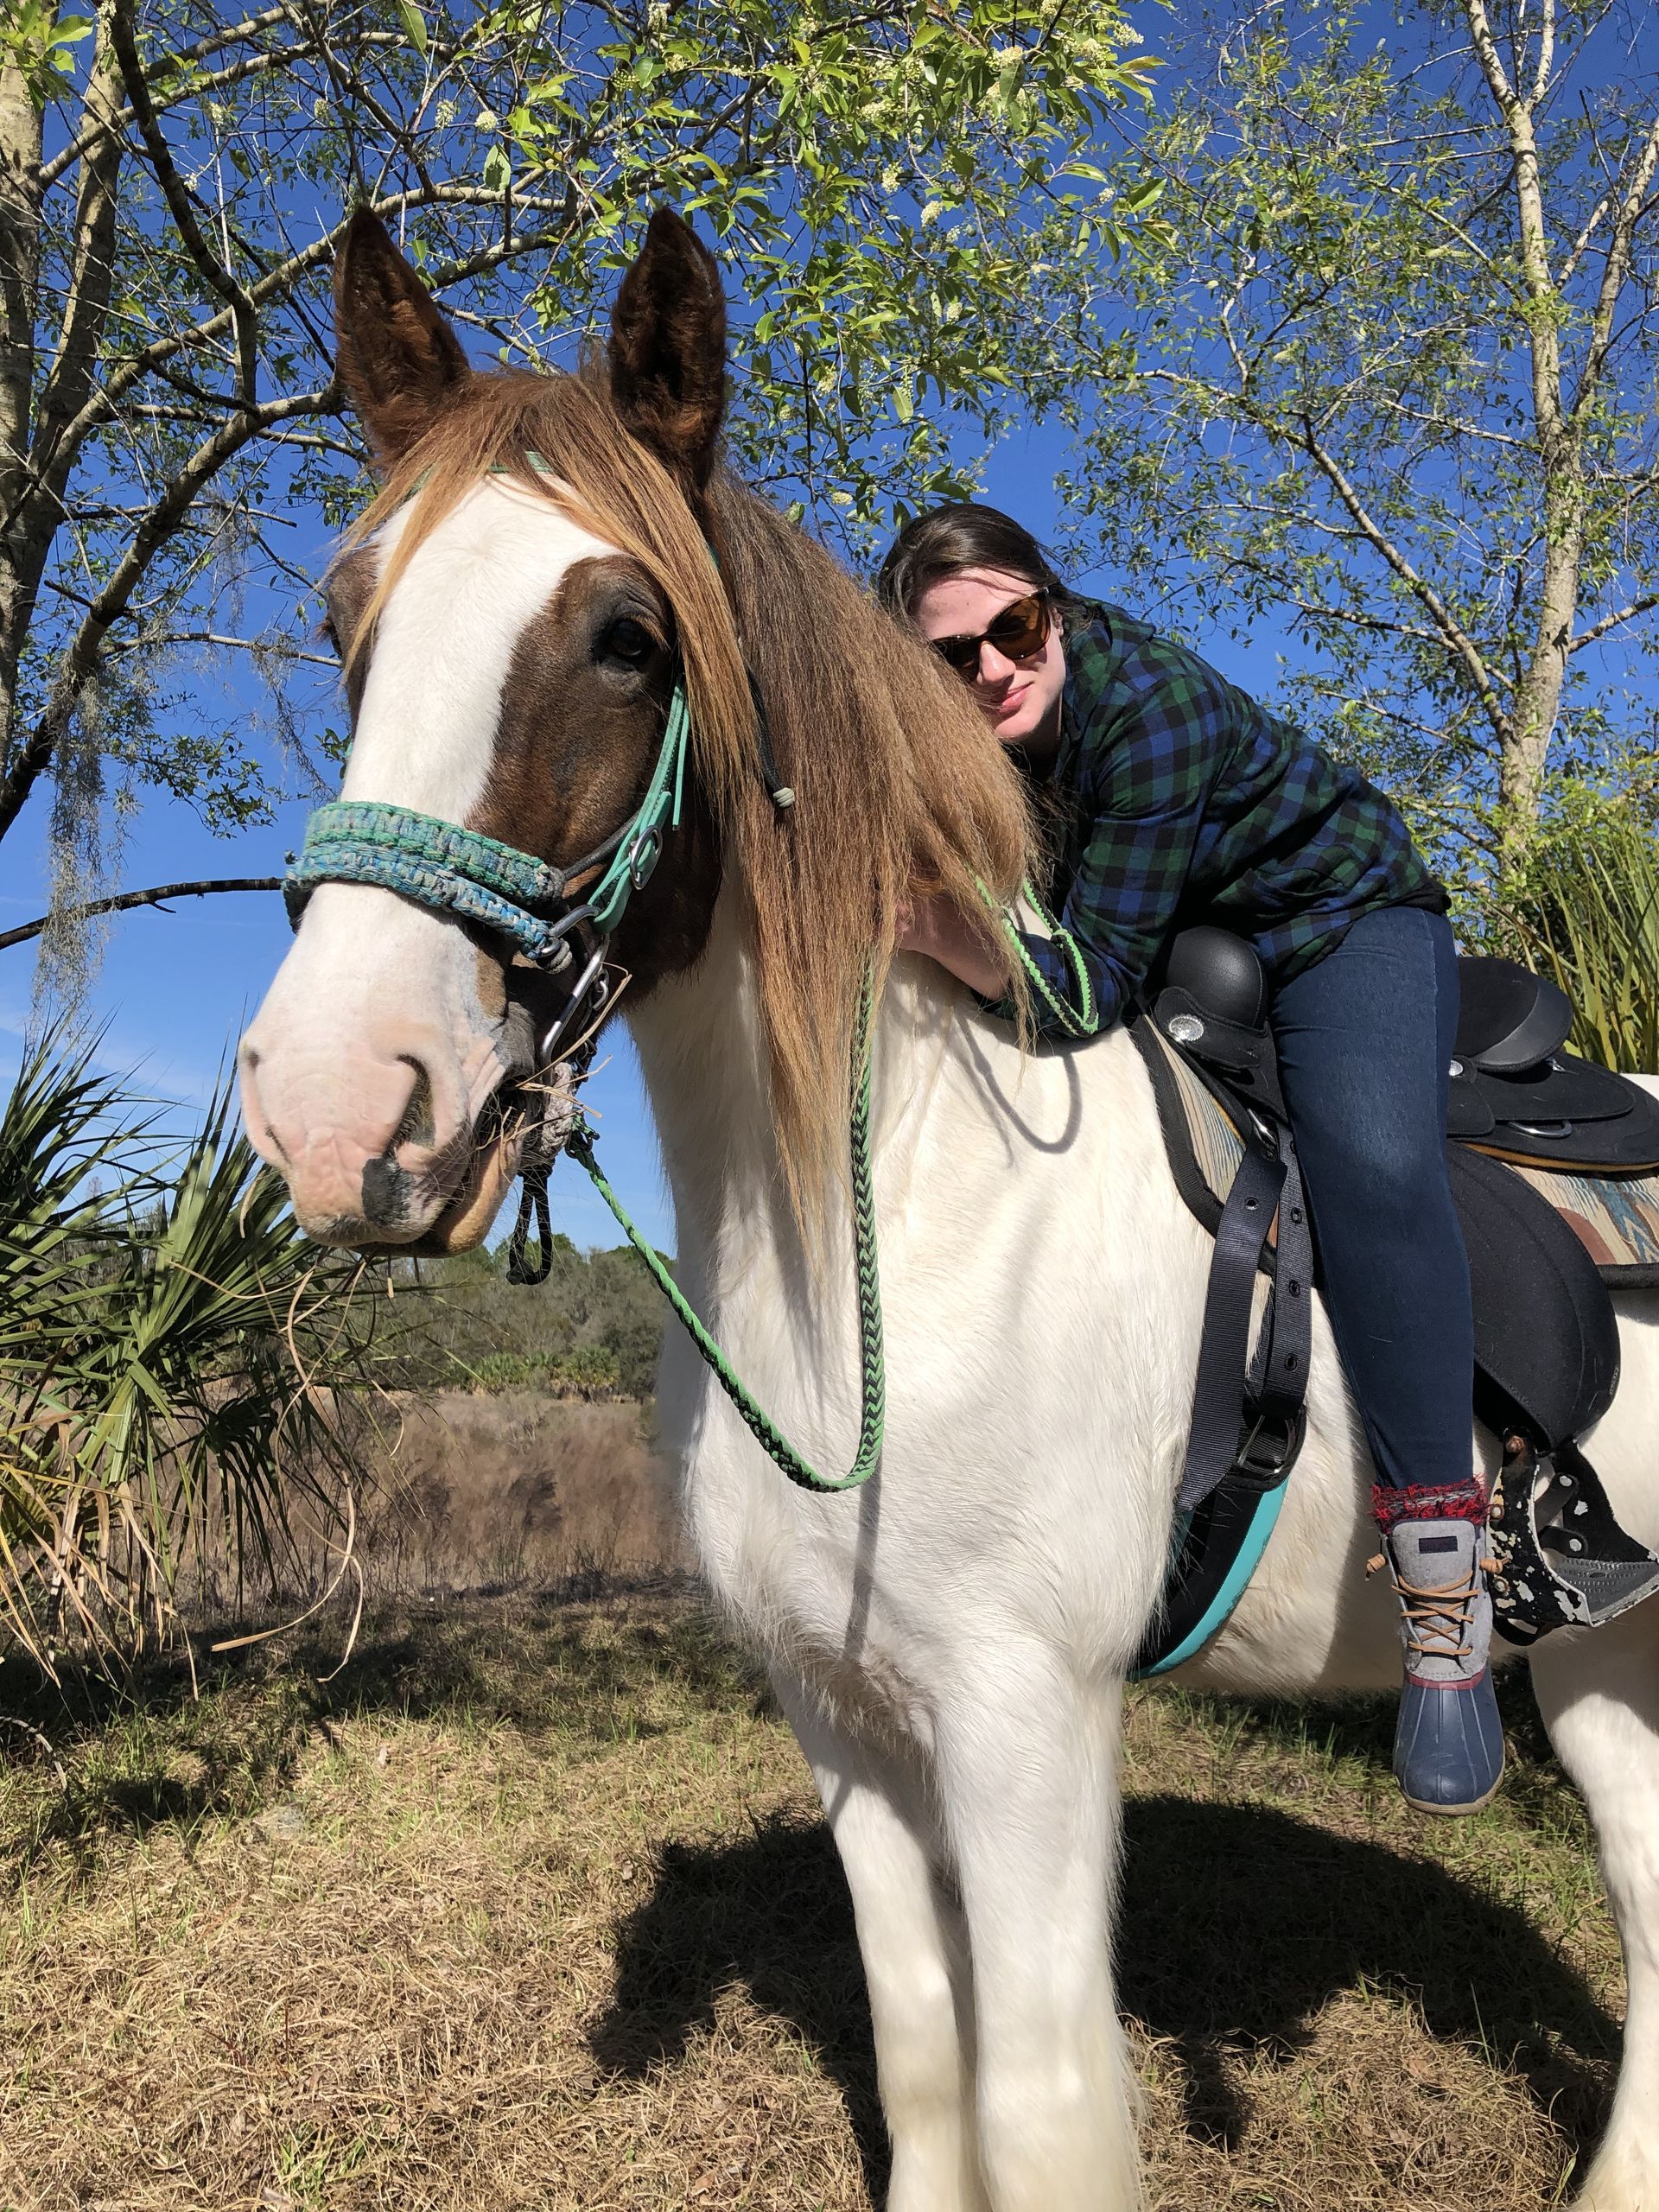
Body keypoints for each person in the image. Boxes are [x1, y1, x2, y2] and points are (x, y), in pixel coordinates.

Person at [875, 502, 1501, 1816]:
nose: (992, 665)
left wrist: (926, 923)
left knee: (1376, 1173)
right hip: (1182, 928)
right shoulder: (970, 735)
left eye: (1017, 626)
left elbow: (1086, 985)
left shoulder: (1145, 709)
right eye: (949, 656)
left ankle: (1446, 1592)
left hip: (1337, 922)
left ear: (1056, 607)